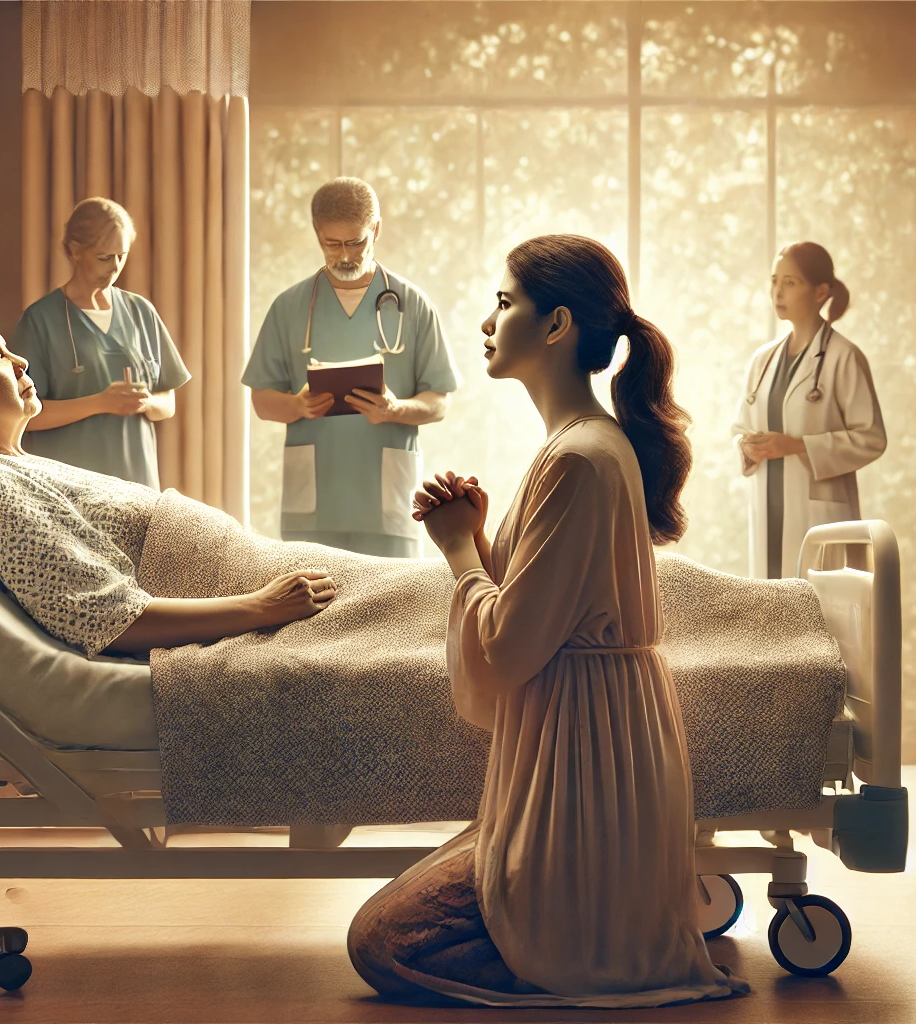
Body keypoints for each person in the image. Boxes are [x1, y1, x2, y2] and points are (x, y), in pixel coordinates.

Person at [347, 236, 746, 1008]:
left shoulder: (580, 458)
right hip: (590, 746)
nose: (488, 321)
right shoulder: (582, 449)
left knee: (381, 942)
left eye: (505, 303)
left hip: (587, 761)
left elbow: (505, 649)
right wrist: (484, 538)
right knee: (409, 916)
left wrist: (460, 547)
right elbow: (547, 611)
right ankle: (590, 929)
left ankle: (590, 954)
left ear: (557, 324)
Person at [0, 280, 332, 657]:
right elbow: (106, 619)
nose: (21, 361)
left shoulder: (14, 467)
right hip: (258, 599)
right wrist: (260, 607)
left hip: (262, 574)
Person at [242, 177, 460, 558]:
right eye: (332, 243)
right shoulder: (289, 307)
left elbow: (439, 402)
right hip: (312, 509)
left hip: (387, 508)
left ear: (376, 229)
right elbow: (261, 401)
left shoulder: (412, 304)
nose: (345, 255)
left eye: (356, 241)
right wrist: (298, 406)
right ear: (316, 233)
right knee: (311, 611)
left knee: (395, 614)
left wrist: (396, 410)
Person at [731, 242, 886, 579]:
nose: (778, 292)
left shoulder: (844, 356)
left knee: (820, 613)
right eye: (774, 281)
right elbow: (741, 426)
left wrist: (799, 446)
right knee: (770, 610)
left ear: (821, 292)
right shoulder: (762, 360)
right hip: (767, 508)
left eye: (791, 282)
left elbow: (871, 437)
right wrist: (746, 445)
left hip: (818, 515)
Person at [12, 198, 190, 488]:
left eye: (122, 255)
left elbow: (167, 403)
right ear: (75, 250)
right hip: (72, 491)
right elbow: (24, 416)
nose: (116, 267)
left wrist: (145, 402)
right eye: (105, 257)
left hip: (138, 486)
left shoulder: (141, 312)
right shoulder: (40, 320)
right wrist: (100, 403)